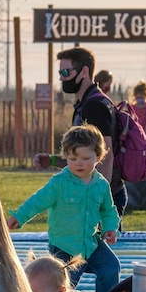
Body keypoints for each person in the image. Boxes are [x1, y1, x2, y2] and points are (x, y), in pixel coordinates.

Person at [8, 125, 121, 292]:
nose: (79, 163)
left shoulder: (101, 184)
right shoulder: (60, 183)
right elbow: (38, 201)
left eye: (85, 158)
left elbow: (108, 211)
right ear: (66, 157)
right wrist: (20, 216)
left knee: (111, 267)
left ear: (98, 156)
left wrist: (110, 228)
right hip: (65, 246)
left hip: (91, 243)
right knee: (63, 285)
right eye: (73, 158)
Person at [33, 47, 127, 223]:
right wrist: (52, 160)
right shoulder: (86, 104)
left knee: (99, 250)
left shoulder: (94, 107)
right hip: (95, 195)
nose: (61, 77)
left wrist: (98, 201)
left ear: (84, 71)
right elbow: (82, 158)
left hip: (100, 199)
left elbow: (105, 156)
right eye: (60, 72)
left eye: (66, 72)